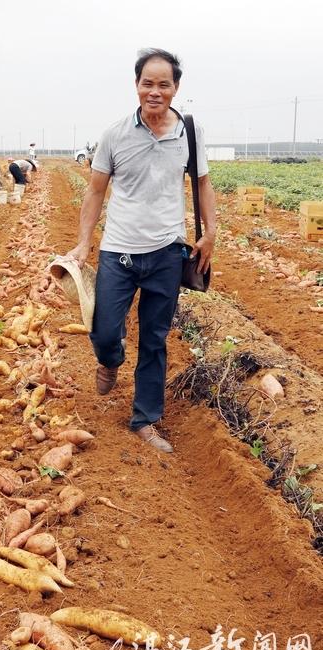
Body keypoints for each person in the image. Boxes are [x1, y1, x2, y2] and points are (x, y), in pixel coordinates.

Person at [65, 48, 216, 454]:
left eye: (163, 84)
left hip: (168, 252)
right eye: (147, 83)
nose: (155, 91)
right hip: (118, 252)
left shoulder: (189, 131)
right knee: (105, 329)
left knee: (155, 337)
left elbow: (202, 184)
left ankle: (145, 419)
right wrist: (83, 243)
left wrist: (210, 232)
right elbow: (96, 190)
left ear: (175, 87)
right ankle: (110, 360)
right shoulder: (115, 135)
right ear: (136, 86)